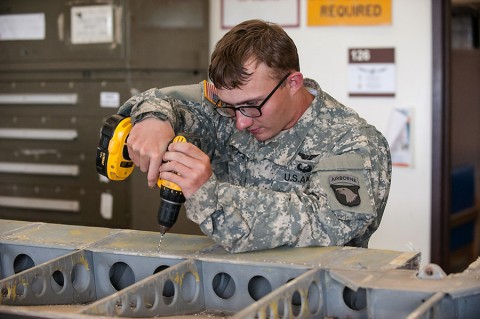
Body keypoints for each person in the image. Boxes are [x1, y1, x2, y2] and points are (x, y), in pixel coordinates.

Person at [118, 19, 392, 253]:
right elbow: (162, 99)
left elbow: (331, 223)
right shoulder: (235, 107)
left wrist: (210, 195)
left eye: (252, 105)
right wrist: (153, 119)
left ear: (292, 83)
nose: (240, 121)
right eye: (232, 106)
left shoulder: (351, 140)